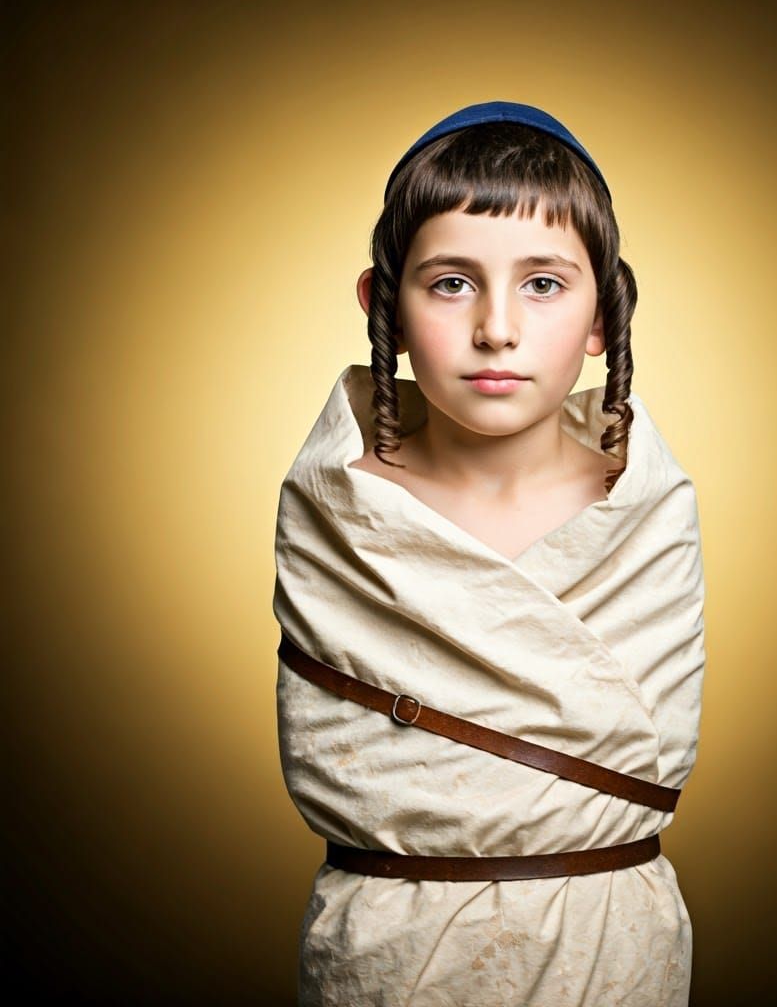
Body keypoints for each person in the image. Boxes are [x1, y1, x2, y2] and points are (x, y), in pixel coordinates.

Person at [273, 100, 707, 1006]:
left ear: (603, 313)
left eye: (543, 284)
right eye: (451, 282)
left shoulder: (650, 509)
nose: (497, 329)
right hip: (386, 962)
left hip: (615, 956)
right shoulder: (334, 509)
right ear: (382, 301)